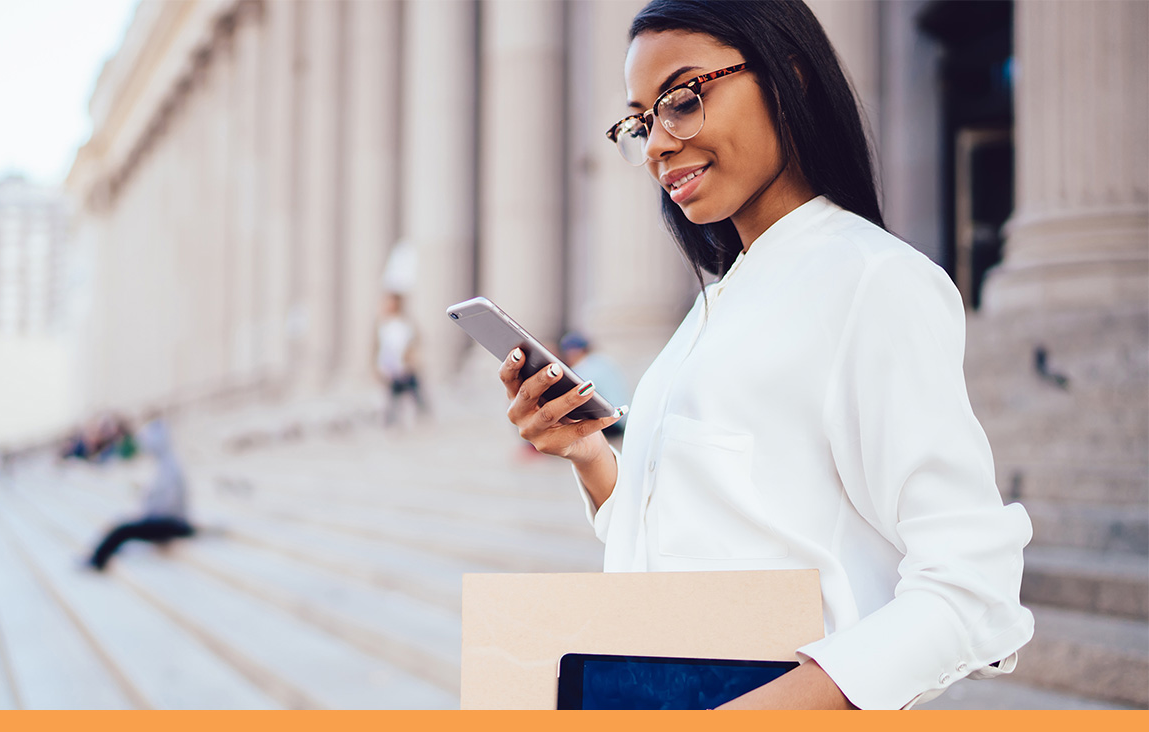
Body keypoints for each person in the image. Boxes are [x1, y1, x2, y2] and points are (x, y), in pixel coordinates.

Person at [497, 0, 1032, 710]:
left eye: (682, 100)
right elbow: (705, 537)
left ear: (790, 78)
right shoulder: (715, 304)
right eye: (641, 120)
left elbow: (972, 592)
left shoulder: (874, 282)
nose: (657, 143)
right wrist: (591, 458)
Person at [85, 418, 194, 571]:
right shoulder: (164, 464)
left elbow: (169, 505)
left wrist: (147, 515)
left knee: (123, 530)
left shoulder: (170, 466)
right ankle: (98, 558)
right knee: (123, 529)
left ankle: (96, 562)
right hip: (168, 520)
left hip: (173, 523)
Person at [559, 332, 630, 438]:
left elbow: (568, 385)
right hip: (622, 419)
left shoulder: (586, 366)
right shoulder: (603, 361)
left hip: (611, 422)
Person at [375, 292, 427, 426]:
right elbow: (378, 346)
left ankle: (421, 419)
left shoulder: (405, 323)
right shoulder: (383, 324)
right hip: (389, 367)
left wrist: (411, 360)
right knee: (392, 397)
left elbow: (413, 343)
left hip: (404, 366)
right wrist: (378, 366)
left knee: (414, 394)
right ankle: (392, 423)